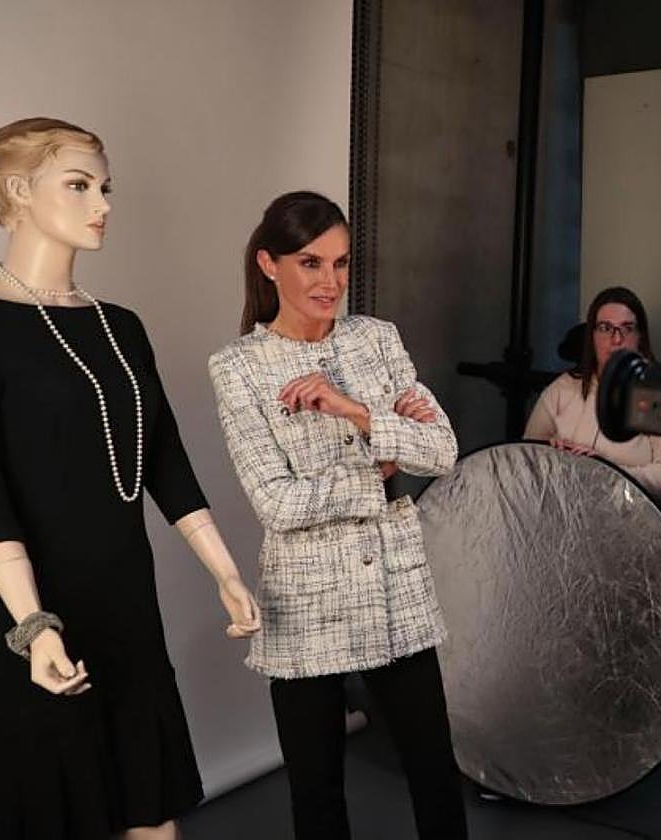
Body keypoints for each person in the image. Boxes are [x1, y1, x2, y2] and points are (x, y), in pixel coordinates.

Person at [0, 118, 260, 840]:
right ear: (18, 190)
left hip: (125, 602)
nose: (102, 204)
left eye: (105, 188)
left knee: (148, 804)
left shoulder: (120, 326)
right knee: (52, 801)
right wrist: (33, 628)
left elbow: (164, 458)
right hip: (27, 610)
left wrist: (225, 571)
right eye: (79, 185)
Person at [208, 191, 467, 840]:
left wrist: (357, 412)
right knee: (317, 795)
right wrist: (377, 471)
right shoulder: (239, 368)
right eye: (311, 263)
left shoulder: (376, 339)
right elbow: (276, 502)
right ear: (269, 265)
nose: (331, 281)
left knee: (436, 777)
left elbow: (442, 451)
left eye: (341, 263)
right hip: (304, 605)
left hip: (397, 592)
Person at [524, 286, 661, 498]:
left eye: (627, 328)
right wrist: (549, 451)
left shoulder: (658, 394)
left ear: (640, 336)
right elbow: (525, 457)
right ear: (592, 336)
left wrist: (609, 473)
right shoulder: (562, 389)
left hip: (629, 514)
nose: (616, 339)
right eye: (605, 328)